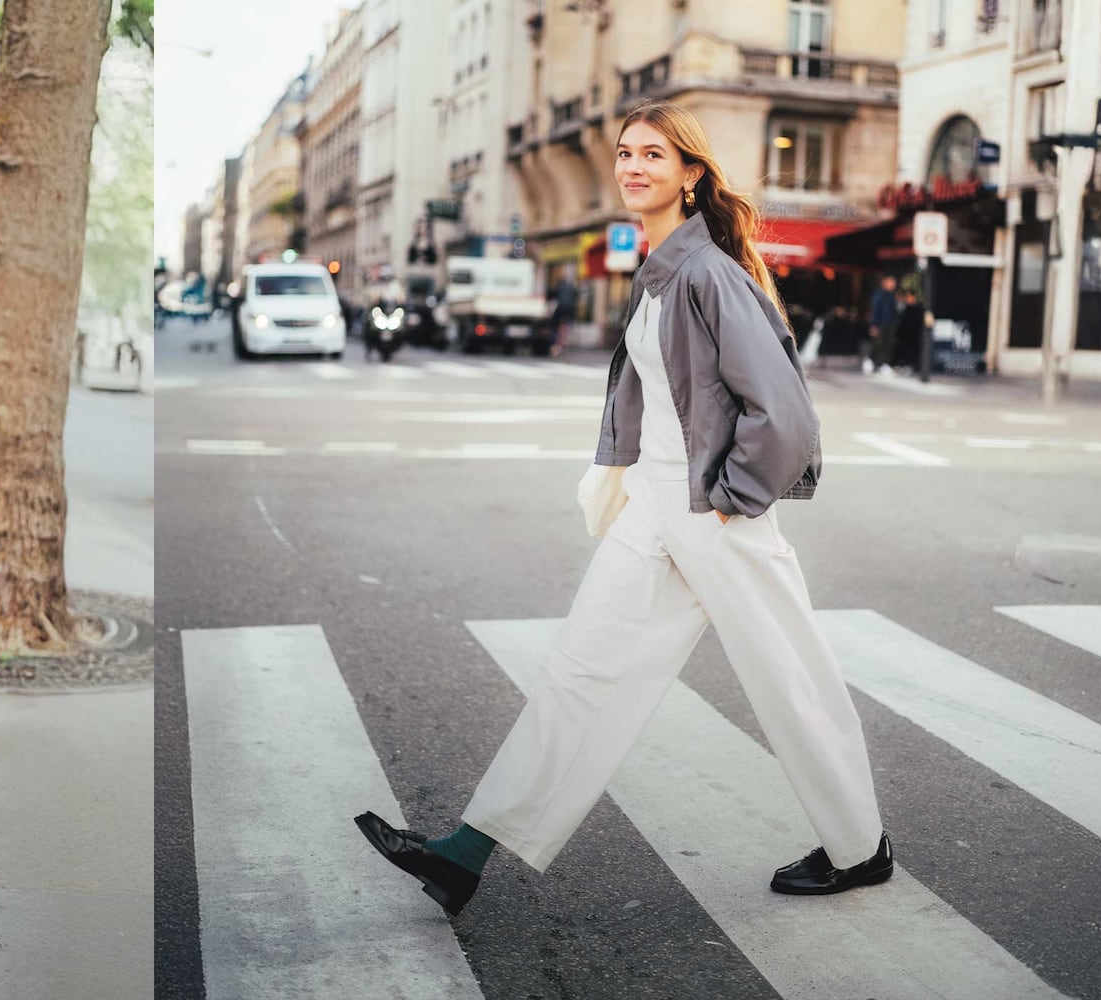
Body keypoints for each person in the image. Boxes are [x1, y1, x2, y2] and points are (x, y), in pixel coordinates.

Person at [356, 98, 890, 918]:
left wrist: (729, 504)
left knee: (790, 678)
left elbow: (783, 414)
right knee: (584, 667)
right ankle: (467, 853)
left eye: (654, 155)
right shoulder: (661, 273)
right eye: (625, 152)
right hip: (656, 504)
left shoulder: (708, 273)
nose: (634, 166)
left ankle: (860, 849)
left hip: (716, 509)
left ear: (690, 175)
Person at [865, 275, 898, 374]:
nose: (893, 284)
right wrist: (874, 325)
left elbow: (894, 311)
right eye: (891, 282)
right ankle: (869, 361)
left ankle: (885, 364)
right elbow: (875, 311)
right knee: (878, 344)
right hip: (880, 324)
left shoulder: (892, 296)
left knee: (888, 345)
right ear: (885, 283)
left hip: (890, 324)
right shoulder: (879, 295)